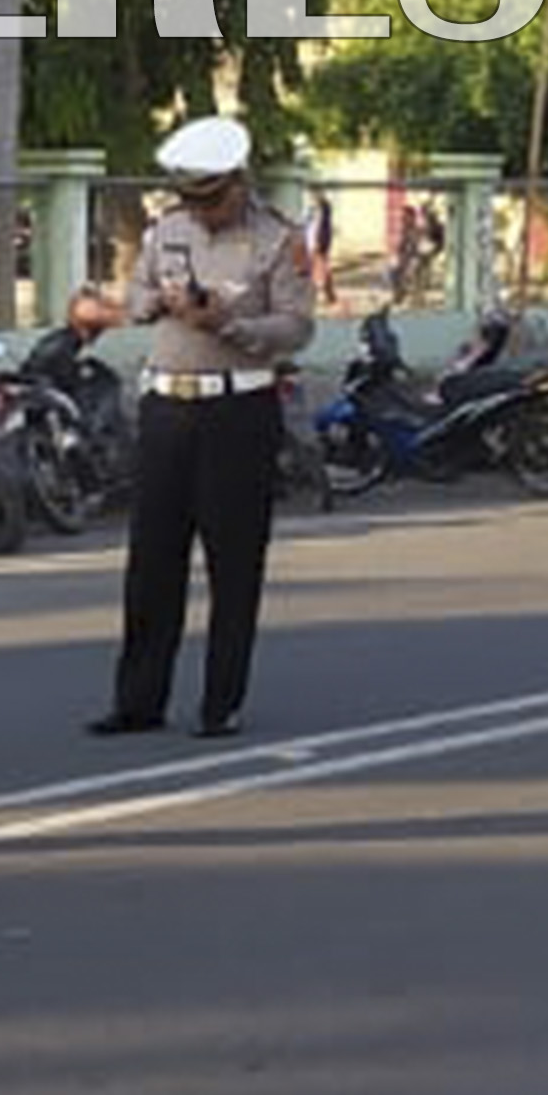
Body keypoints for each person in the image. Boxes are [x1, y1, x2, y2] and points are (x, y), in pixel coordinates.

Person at [71, 114, 318, 740]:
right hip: (166, 408)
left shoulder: (276, 239)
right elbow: (138, 293)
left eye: (211, 197)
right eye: (190, 198)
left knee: (233, 563)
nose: (200, 211)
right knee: (151, 561)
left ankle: (220, 703)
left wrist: (228, 325)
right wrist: (150, 305)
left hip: (237, 409)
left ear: (239, 183)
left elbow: (297, 325)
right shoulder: (167, 230)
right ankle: (139, 700)